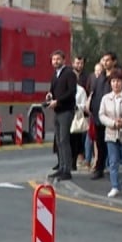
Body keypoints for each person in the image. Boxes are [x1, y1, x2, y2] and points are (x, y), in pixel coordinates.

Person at [98, 69, 122, 198]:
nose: (116, 84)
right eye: (113, 81)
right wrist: (113, 123)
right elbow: (101, 115)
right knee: (113, 162)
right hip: (111, 134)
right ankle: (115, 186)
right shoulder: (106, 98)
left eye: (118, 81)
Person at [45, 49, 78, 181]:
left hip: (66, 111)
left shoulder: (69, 73)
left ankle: (67, 170)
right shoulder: (55, 75)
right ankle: (61, 167)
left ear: (64, 60)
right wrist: (50, 95)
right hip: (57, 111)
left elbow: (71, 92)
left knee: (64, 140)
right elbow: (53, 90)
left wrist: (58, 101)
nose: (55, 61)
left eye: (58, 59)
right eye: (53, 59)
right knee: (59, 140)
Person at [87, 52, 117, 179]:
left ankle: (114, 171)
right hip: (98, 116)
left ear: (114, 61)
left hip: (111, 118)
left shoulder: (116, 76)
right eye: (104, 60)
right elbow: (95, 93)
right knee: (99, 144)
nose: (105, 62)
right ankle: (99, 168)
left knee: (113, 146)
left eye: (108, 60)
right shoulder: (100, 77)